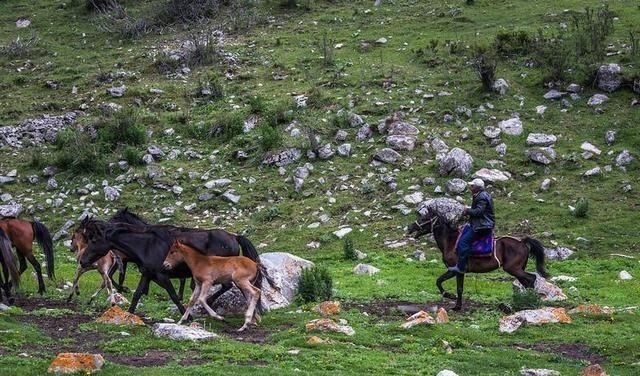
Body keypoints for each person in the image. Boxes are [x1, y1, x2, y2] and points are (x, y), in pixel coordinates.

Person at [448, 178, 495, 274]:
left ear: (477, 188)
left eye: (472, 186)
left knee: (463, 242)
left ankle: (461, 267)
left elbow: (479, 212)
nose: (471, 188)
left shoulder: (481, 197)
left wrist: (467, 211)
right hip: (481, 223)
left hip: (482, 225)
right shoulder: (481, 195)